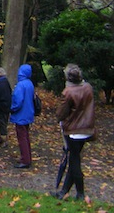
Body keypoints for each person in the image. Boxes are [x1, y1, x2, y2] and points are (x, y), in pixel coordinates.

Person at [53, 64, 96, 201]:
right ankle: (64, 191)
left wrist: (59, 117)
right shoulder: (88, 88)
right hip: (86, 128)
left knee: (74, 162)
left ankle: (80, 193)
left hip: (74, 130)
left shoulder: (68, 92)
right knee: (74, 160)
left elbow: (61, 113)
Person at [10, 63, 35, 169]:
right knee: (26, 136)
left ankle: (25, 160)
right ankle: (27, 157)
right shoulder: (29, 83)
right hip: (28, 112)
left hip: (21, 114)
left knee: (22, 137)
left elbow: (18, 100)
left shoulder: (21, 85)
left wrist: (12, 108)